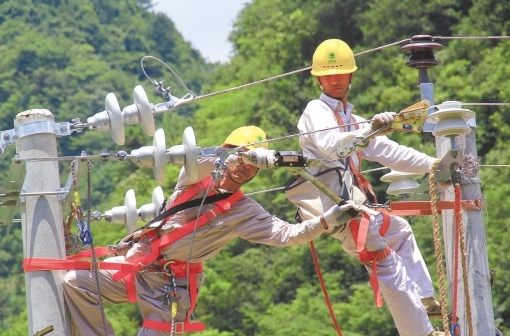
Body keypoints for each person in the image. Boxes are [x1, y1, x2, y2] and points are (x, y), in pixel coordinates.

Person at [62, 125, 363, 336]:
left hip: (170, 287)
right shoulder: (194, 177)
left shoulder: (245, 211)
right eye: (238, 156)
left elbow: (286, 234)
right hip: (138, 264)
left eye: (253, 164)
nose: (245, 166)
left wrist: (328, 219)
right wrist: (238, 153)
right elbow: (199, 157)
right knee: (76, 282)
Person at [283, 39, 444, 336]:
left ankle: (425, 298)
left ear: (350, 77)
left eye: (340, 74)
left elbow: (389, 151)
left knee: (400, 231)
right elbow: (332, 147)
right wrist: (368, 129)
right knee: (385, 261)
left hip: (355, 209)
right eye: (328, 75)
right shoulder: (315, 112)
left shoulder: (350, 118)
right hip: (335, 207)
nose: (334, 80)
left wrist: (434, 164)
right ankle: (422, 332)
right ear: (318, 78)